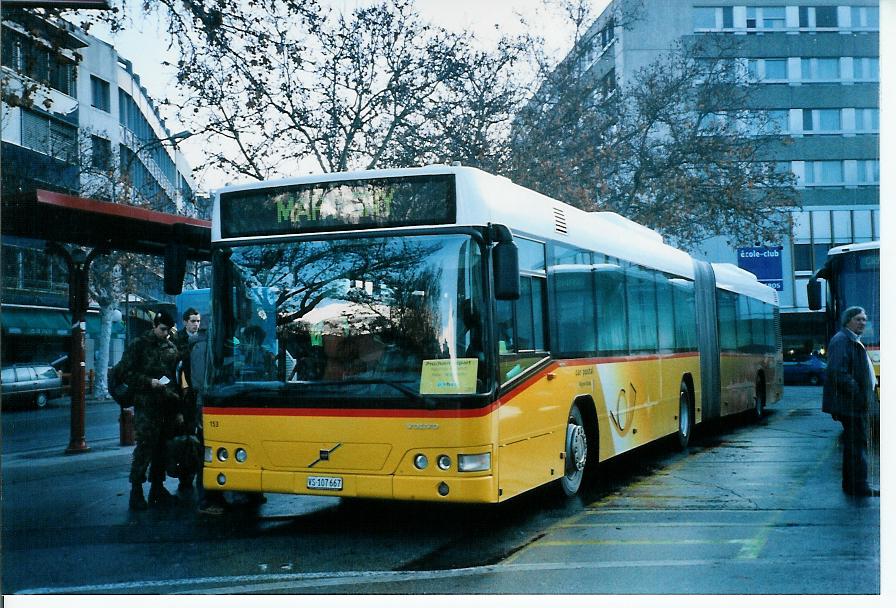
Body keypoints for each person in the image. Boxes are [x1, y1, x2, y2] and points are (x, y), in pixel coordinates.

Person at [122, 311, 182, 510]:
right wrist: (149, 382)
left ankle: (157, 488)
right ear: (155, 325)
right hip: (146, 405)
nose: (165, 333)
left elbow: (176, 377)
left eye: (168, 330)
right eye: (162, 329)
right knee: (145, 447)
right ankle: (136, 491)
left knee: (162, 448)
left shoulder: (171, 348)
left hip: (166, 406)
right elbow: (126, 373)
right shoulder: (139, 345)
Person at [822, 306, 879, 497]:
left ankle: (852, 484)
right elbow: (838, 372)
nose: (863, 322)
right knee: (857, 444)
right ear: (848, 321)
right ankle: (859, 485)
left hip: (853, 402)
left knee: (853, 445)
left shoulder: (852, 340)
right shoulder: (842, 340)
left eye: (864, 319)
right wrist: (858, 393)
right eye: (858, 319)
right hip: (851, 404)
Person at [173, 308, 202, 495]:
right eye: (193, 321)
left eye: (198, 321)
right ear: (185, 322)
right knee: (187, 437)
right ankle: (186, 477)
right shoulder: (178, 340)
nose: (196, 324)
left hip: (200, 393)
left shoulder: (203, 339)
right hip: (185, 396)